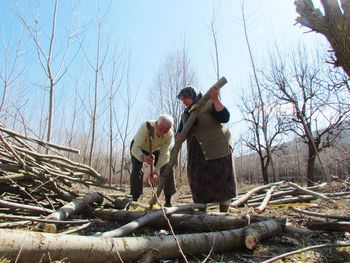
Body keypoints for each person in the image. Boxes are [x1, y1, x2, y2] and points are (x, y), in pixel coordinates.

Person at [176, 85, 237, 212]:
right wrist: (178, 137)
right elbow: (181, 132)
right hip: (197, 152)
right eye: (182, 100)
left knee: (222, 178)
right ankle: (201, 212)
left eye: (186, 98)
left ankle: (224, 212)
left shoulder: (208, 103)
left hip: (218, 147)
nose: (184, 101)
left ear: (193, 95)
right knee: (198, 179)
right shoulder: (185, 114)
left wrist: (216, 99)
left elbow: (225, 117)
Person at [130, 114, 176, 207]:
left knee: (168, 168)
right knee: (136, 170)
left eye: (165, 131)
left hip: (155, 149)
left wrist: (156, 172)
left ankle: (168, 200)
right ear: (156, 124)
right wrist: (144, 158)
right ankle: (135, 199)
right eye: (160, 129)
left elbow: (164, 155)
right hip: (139, 148)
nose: (162, 133)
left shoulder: (170, 135)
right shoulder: (145, 127)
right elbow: (135, 148)